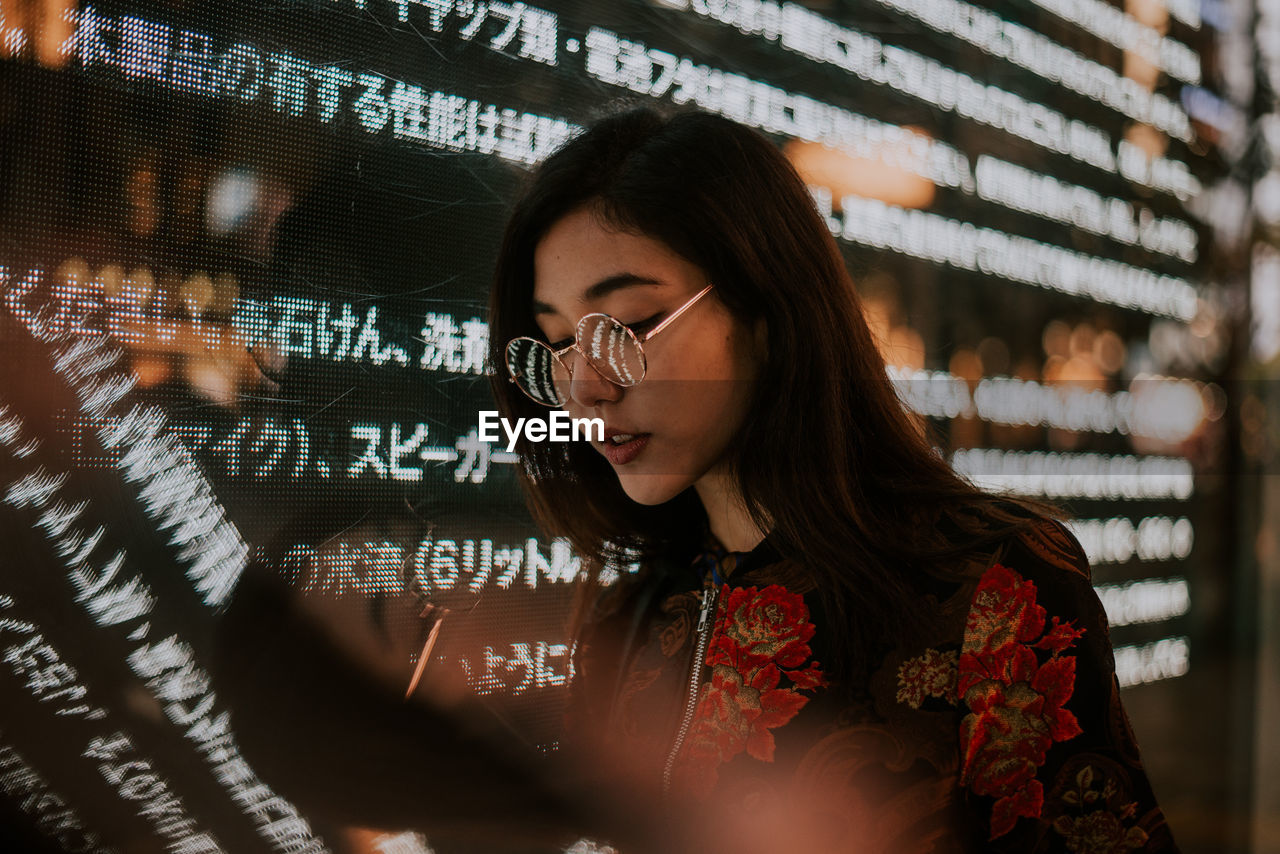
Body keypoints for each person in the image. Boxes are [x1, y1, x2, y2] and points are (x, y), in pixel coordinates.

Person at [483, 105, 1181, 854]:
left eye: (626, 324)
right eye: (557, 342)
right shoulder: (630, 609)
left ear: (766, 310)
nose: (584, 386)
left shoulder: (994, 587)